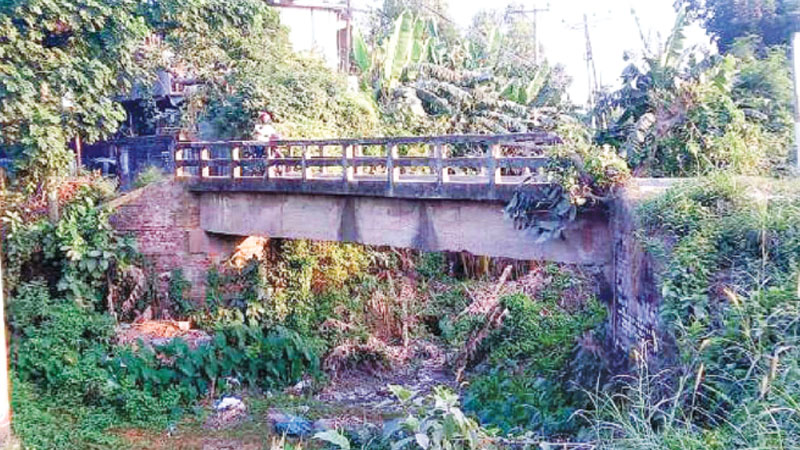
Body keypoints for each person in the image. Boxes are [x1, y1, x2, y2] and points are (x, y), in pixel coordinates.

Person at [253, 111, 284, 176]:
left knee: (279, 155)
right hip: (260, 144)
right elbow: (259, 133)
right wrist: (266, 135)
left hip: (270, 144)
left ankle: (279, 170)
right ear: (261, 119)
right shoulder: (257, 126)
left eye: (266, 119)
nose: (265, 120)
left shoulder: (269, 127)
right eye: (264, 118)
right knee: (260, 155)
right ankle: (260, 170)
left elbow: (273, 134)